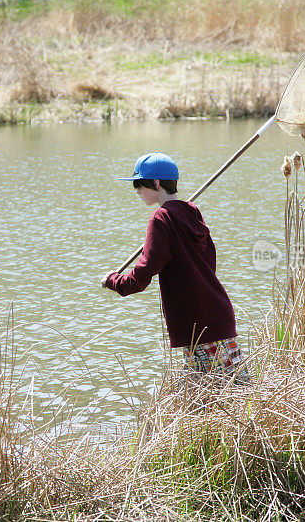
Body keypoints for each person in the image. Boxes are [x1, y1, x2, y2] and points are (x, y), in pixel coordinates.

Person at [101, 152, 248, 380]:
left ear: (157, 183)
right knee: (210, 397)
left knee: (228, 395)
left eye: (139, 185)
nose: (137, 192)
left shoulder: (161, 218)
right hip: (213, 314)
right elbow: (210, 262)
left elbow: (141, 276)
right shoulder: (191, 211)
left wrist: (113, 280)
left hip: (201, 323)